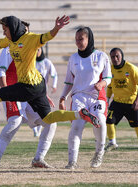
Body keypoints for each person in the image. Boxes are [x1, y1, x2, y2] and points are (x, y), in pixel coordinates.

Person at [0, 15, 100, 144]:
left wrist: (56, 28)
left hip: (28, 86)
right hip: (38, 84)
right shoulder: (10, 39)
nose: (3, 32)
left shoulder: (30, 39)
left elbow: (47, 36)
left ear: (12, 28)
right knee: (48, 118)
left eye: (5, 29)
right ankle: (79, 114)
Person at [0, 45, 57, 169]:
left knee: (51, 123)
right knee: (15, 122)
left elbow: (33, 75)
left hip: (30, 94)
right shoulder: (8, 50)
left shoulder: (28, 48)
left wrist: (42, 94)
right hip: (13, 92)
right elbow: (0, 71)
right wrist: (6, 92)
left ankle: (38, 159)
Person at [59, 26, 112, 169]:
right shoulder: (73, 58)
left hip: (97, 97)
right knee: (76, 126)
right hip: (79, 97)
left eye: (81, 39)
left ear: (89, 39)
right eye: (76, 39)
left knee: (100, 120)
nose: (78, 42)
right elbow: (69, 82)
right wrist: (63, 97)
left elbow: (108, 77)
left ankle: (99, 153)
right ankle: (72, 161)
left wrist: (102, 83)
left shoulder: (101, 56)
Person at [105, 48, 138, 151]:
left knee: (136, 124)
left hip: (131, 102)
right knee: (109, 120)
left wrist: (137, 101)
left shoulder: (131, 68)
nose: (115, 59)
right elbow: (110, 86)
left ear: (122, 56)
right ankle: (112, 143)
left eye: (117, 56)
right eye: (112, 57)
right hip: (117, 102)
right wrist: (107, 99)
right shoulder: (110, 70)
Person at [32, 47, 58, 137]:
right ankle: (34, 128)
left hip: (43, 89)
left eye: (38, 50)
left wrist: (54, 85)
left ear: (41, 50)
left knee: (42, 109)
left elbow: (54, 75)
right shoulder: (31, 61)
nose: (36, 52)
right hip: (31, 88)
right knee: (31, 109)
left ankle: (38, 130)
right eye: (35, 50)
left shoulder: (47, 62)